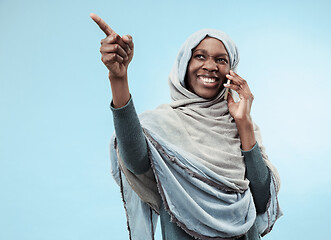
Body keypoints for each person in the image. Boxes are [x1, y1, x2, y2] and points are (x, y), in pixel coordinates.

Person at [90, 13, 282, 240]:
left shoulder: (244, 127)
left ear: (232, 71)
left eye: (221, 60)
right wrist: (118, 78)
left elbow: (262, 199)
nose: (210, 66)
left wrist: (244, 123)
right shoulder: (162, 124)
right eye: (200, 56)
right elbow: (135, 161)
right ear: (184, 64)